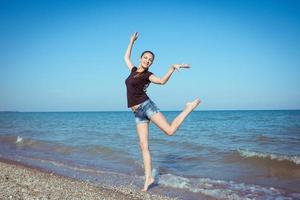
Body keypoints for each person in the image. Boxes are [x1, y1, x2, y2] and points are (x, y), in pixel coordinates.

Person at [124, 32, 201, 192]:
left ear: (151, 63)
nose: (147, 60)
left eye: (150, 60)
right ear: (141, 58)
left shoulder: (148, 75)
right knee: (143, 145)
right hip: (137, 113)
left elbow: (162, 82)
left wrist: (172, 68)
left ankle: (188, 108)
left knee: (170, 131)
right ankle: (148, 178)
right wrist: (131, 41)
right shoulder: (132, 71)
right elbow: (126, 57)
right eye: (145, 58)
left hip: (147, 106)